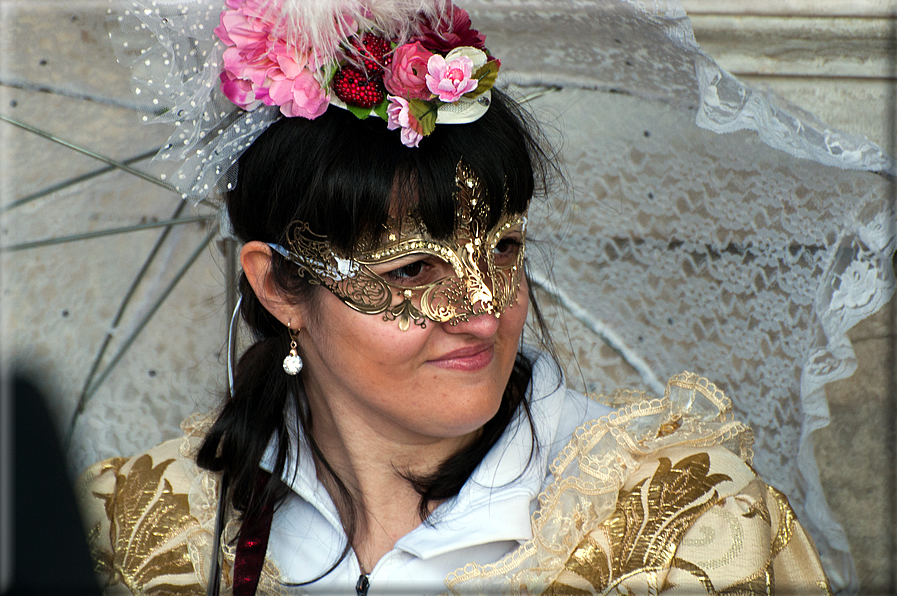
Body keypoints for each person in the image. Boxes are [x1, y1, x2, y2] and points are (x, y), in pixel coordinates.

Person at [77, 1, 834, 594]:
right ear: (278, 285)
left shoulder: (676, 527)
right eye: (411, 270)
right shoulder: (150, 533)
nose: (482, 305)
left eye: (501, 247)